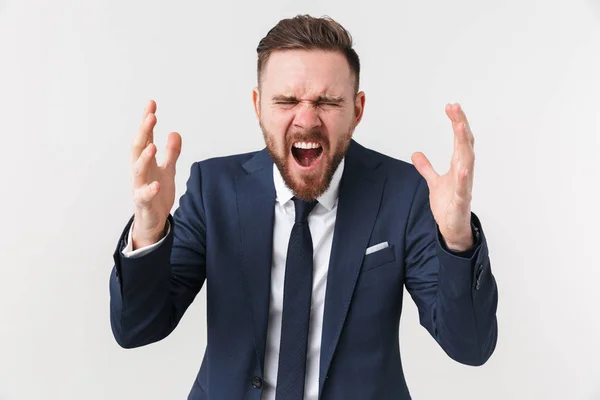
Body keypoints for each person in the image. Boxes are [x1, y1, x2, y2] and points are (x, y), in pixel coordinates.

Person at [109, 14, 498, 400]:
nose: (307, 120)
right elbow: (137, 329)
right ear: (259, 105)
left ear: (357, 110)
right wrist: (149, 230)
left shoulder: (403, 192)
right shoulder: (215, 190)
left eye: (327, 101)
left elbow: (469, 346)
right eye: (287, 100)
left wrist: (458, 238)